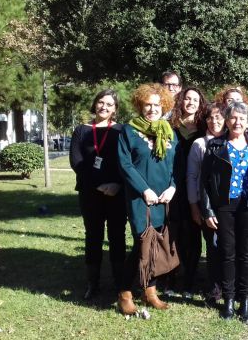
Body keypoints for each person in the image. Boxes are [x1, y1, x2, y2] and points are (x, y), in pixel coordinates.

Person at [201, 102, 248, 325]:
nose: (237, 122)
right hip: (225, 206)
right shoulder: (215, 146)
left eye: (242, 118)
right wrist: (208, 209)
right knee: (227, 253)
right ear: (227, 120)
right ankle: (229, 299)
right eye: (233, 118)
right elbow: (205, 182)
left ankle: (245, 300)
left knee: (246, 254)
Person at [116, 83, 179, 314]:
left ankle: (150, 291)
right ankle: (124, 292)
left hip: (163, 198)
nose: (152, 109)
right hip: (139, 198)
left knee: (155, 244)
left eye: (157, 105)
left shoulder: (169, 131)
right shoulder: (129, 131)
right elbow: (125, 165)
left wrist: (173, 187)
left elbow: (176, 166)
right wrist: (144, 190)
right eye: (147, 105)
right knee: (142, 243)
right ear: (140, 106)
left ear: (164, 106)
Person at [69, 89, 127, 300]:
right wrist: (98, 185)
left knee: (117, 236)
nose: (104, 107)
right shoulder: (81, 131)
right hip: (90, 193)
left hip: (116, 193)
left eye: (109, 104)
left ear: (115, 109)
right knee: (93, 236)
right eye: (101, 103)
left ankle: (119, 284)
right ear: (95, 105)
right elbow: (77, 162)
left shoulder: (122, 131)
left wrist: (117, 184)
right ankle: (93, 284)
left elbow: (127, 162)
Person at [168, 86, 209, 298]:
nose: (191, 102)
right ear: (181, 101)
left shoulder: (204, 128)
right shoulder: (170, 127)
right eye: (187, 99)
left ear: (201, 103)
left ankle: (190, 280)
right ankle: (171, 275)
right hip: (173, 187)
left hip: (196, 188)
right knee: (174, 232)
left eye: (195, 99)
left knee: (193, 234)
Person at [187, 103, 225, 305]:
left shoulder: (234, 140)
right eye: (210, 117)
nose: (215, 121)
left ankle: (231, 286)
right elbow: (192, 176)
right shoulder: (200, 144)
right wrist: (194, 205)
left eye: (219, 117)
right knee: (213, 246)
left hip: (230, 205)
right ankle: (214, 288)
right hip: (207, 204)